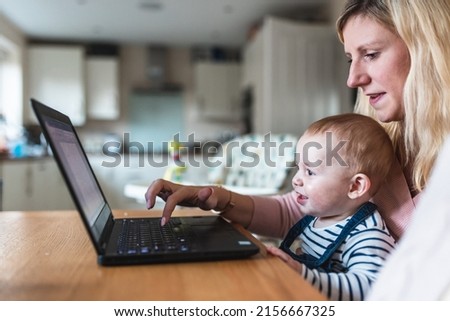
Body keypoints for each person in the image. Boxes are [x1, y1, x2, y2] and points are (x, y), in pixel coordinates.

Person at [145, 0, 450, 293]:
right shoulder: (380, 141)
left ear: (426, 50)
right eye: (350, 59)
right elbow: (296, 210)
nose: (352, 79)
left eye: (370, 54)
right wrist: (214, 198)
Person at [265, 113, 396, 300]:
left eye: (309, 172)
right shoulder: (320, 216)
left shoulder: (366, 234)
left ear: (355, 186)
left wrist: (302, 274)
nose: (295, 180)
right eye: (298, 168)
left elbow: (371, 287)